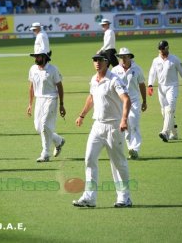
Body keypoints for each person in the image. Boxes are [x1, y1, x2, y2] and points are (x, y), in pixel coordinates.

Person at [73, 51, 132, 208]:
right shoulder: (94, 79)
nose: (97, 62)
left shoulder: (114, 80)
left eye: (100, 60)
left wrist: (124, 120)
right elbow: (91, 98)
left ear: (107, 62)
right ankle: (89, 198)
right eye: (94, 60)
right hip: (97, 125)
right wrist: (82, 115)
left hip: (114, 126)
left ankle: (124, 198)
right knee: (89, 159)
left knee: (118, 163)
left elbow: (126, 100)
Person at [148, 40, 182, 142]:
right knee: (164, 111)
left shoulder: (175, 59)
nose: (161, 51)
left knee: (169, 109)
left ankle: (165, 132)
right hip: (161, 88)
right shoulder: (156, 60)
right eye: (160, 49)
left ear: (167, 48)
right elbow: (152, 73)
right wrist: (150, 85)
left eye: (163, 49)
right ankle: (174, 133)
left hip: (172, 87)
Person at [27, 46, 66, 162]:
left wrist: (61, 104)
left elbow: (60, 86)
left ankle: (45, 154)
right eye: (35, 56)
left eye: (38, 56)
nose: (36, 58)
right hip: (39, 100)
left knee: (44, 125)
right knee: (38, 127)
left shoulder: (53, 69)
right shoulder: (33, 69)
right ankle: (58, 140)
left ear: (44, 57)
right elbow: (31, 87)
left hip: (51, 99)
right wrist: (30, 104)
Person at [111, 48, 147, 160]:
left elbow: (141, 85)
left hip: (134, 101)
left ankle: (135, 148)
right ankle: (131, 149)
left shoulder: (137, 69)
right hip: (120, 102)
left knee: (134, 124)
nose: (123, 59)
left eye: (125, 56)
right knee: (125, 126)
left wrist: (145, 101)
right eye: (121, 57)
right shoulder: (115, 70)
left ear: (130, 57)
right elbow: (111, 87)